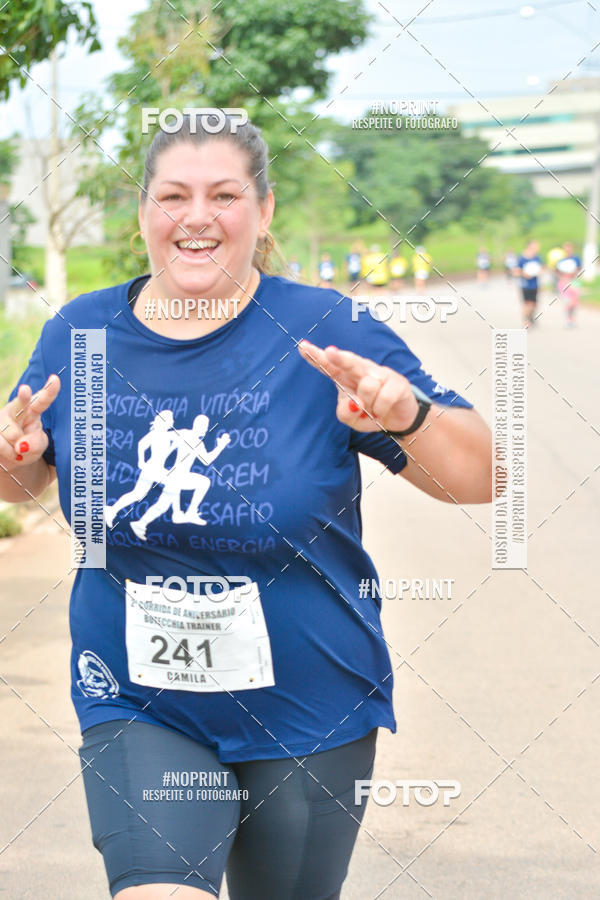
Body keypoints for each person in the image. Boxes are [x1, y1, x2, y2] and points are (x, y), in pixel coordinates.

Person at [0, 113, 492, 900]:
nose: (197, 216)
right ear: (144, 216)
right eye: (174, 196)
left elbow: (481, 477)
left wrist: (409, 419)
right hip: (138, 696)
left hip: (309, 708)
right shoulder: (80, 333)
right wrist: (8, 462)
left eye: (224, 195)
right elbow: (30, 478)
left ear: (262, 214)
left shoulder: (323, 328)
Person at [513, 239, 543, 328]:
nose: (537, 248)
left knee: (534, 304)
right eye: (536, 246)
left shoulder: (537, 258)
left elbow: (541, 268)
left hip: (535, 284)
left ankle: (530, 317)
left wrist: (540, 271)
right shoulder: (521, 258)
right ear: (529, 246)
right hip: (525, 284)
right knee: (527, 304)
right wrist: (524, 274)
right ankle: (525, 321)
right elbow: (515, 271)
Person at [555, 241, 582, 327]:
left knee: (574, 302)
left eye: (569, 247)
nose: (568, 249)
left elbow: (579, 269)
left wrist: (574, 275)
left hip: (574, 282)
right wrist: (563, 278)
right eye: (566, 248)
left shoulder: (576, 259)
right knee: (567, 302)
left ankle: (572, 319)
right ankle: (568, 319)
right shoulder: (561, 260)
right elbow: (557, 272)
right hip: (563, 283)